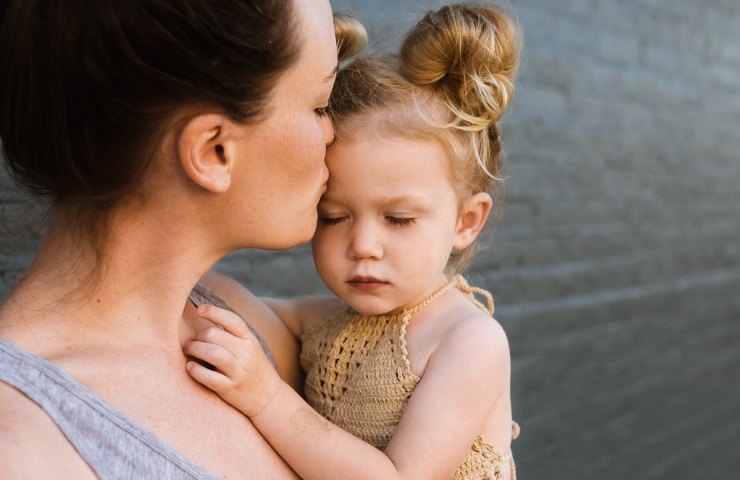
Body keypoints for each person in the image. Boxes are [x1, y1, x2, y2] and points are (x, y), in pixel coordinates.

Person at [0, 0, 359, 478]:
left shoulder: (232, 320)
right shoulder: (24, 446)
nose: (334, 133)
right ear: (213, 150)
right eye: (320, 105)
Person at [184, 4, 523, 479]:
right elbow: (231, 302)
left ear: (466, 221)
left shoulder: (467, 341)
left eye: (399, 219)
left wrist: (267, 398)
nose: (363, 244)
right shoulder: (325, 321)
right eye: (334, 216)